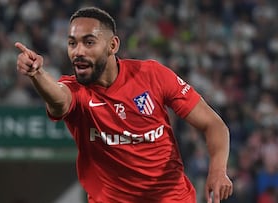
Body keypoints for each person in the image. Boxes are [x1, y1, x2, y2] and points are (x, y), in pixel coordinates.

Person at [15, 6, 233, 203]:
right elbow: (59, 102)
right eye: (72, 43)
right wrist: (38, 75)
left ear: (113, 45)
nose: (78, 51)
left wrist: (217, 171)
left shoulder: (152, 75)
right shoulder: (74, 90)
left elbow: (214, 125)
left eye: (89, 42)